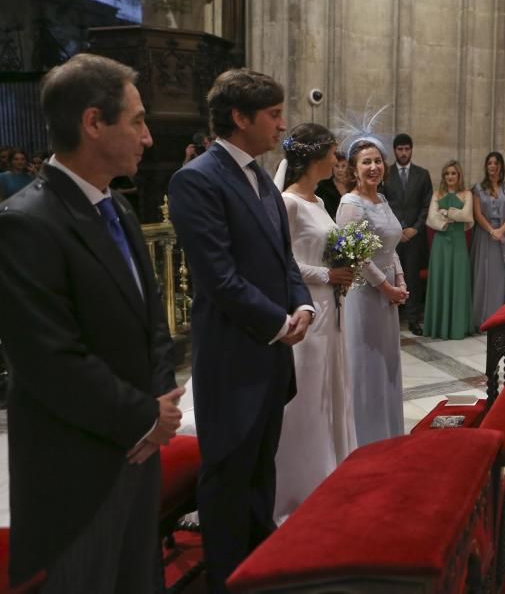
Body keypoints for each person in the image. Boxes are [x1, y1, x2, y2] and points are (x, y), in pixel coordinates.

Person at [0, 53, 182, 591]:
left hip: (139, 445)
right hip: (78, 468)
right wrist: (142, 418)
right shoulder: (26, 223)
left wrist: (162, 405)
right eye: (138, 120)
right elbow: (49, 360)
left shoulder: (117, 208)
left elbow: (152, 320)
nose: (147, 137)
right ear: (93, 123)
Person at [168, 68, 314, 592]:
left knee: (261, 467)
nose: (282, 124)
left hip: (271, 354)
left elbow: (284, 261)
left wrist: (303, 307)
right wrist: (278, 322)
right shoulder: (198, 179)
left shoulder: (261, 177)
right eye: (273, 114)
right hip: (233, 357)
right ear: (239, 117)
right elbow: (219, 277)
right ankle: (228, 576)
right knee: (228, 474)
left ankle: (260, 565)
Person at [272, 123, 357, 524]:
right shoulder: (287, 203)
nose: (337, 161)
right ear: (313, 157)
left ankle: (331, 472)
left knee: (329, 390)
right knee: (306, 396)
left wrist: (345, 267)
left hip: (332, 310)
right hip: (306, 310)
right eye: (333, 153)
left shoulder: (320, 203)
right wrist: (328, 277)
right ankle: (296, 487)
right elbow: (280, 262)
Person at [336, 134, 408, 447]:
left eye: (377, 161)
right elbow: (357, 255)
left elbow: (390, 244)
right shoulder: (350, 205)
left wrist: (401, 280)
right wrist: (386, 287)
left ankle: (388, 434)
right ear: (354, 169)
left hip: (388, 291)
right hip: (365, 295)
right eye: (366, 162)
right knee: (366, 365)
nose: (374, 167)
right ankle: (365, 439)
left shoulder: (382, 200)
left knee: (386, 364)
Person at [381, 133, 432, 336]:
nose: (403, 153)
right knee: (390, 274)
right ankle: (390, 317)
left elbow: (427, 204)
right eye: (400, 149)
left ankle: (412, 318)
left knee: (412, 277)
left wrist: (416, 228)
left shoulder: (422, 174)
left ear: (411, 150)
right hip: (392, 236)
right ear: (395, 151)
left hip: (414, 236)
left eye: (406, 149)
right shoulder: (386, 173)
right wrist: (394, 229)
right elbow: (382, 203)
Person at [423, 160, 475, 339]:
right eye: (447, 173)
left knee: (459, 281)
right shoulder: (437, 193)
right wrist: (452, 216)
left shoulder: (467, 194)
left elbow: (467, 216)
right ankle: (439, 327)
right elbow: (431, 219)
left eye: (453, 173)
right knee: (441, 280)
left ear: (459, 175)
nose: (450, 176)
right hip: (441, 243)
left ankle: (457, 327)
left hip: (459, 243)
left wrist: (447, 212)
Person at [471, 151, 505, 328]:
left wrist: (501, 230)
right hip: (485, 235)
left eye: (496, 163)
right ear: (486, 166)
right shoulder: (478, 188)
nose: (493, 166)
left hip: (504, 235)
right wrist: (492, 231)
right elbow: (477, 214)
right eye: (490, 163)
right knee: (486, 274)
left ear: (501, 166)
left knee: (504, 274)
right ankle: (485, 317)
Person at [314, 147, 353, 220]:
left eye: (343, 166)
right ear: (332, 167)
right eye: (337, 166)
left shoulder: (354, 184)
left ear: (348, 167)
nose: (340, 170)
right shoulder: (323, 187)